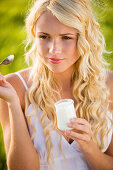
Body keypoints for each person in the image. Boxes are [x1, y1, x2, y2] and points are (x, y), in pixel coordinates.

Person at [0, 0, 113, 169]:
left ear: (85, 37)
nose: (53, 50)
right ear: (34, 34)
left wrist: (89, 147)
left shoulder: (109, 84)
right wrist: (13, 104)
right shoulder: (12, 87)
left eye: (66, 37)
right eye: (44, 36)